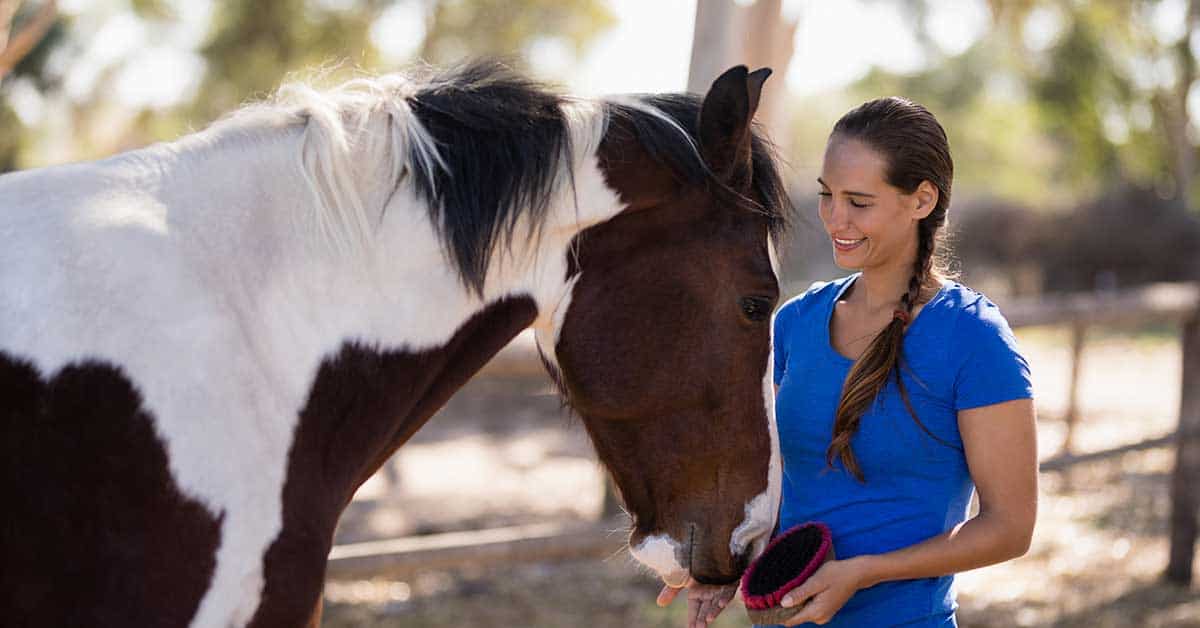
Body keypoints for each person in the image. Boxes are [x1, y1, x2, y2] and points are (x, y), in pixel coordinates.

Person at [656, 97, 1038, 627]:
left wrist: (864, 572)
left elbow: (1010, 527)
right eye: (827, 195)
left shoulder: (974, 338)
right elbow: (786, 487)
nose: (836, 218)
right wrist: (725, 567)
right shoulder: (795, 323)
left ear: (921, 200)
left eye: (859, 201)